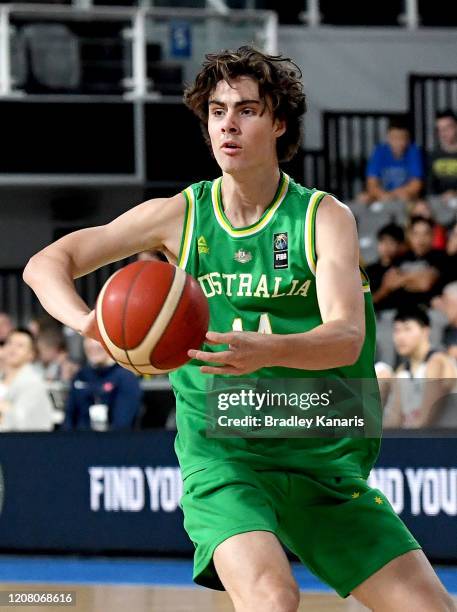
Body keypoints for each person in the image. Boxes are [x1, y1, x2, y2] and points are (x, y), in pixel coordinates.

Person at [23, 47, 454, 611]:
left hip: (318, 449)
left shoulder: (323, 218)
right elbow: (45, 263)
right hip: (226, 452)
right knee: (274, 598)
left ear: (278, 122)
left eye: (247, 110)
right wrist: (91, 322)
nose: (228, 122)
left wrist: (265, 350)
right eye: (217, 110)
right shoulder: (181, 215)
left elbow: (346, 336)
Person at [384, 308, 456, 429]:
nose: (401, 337)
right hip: (416, 438)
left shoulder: (438, 362)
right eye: (396, 330)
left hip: (443, 440)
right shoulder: (401, 371)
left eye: (407, 329)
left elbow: (425, 419)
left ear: (425, 331)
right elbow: (394, 420)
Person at [63, 337, 142, 431]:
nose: (93, 345)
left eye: (98, 339)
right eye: (88, 338)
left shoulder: (125, 377)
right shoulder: (81, 376)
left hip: (112, 442)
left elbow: (122, 424)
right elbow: (68, 420)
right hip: (80, 441)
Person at [358, 116, 424, 205]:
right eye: (394, 138)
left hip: (403, 195)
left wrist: (393, 195)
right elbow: (371, 184)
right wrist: (382, 194)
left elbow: (416, 185)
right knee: (363, 198)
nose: (398, 142)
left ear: (408, 139)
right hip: (382, 195)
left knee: (407, 197)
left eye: (402, 138)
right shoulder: (379, 151)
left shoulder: (414, 151)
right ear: (388, 138)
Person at [0, 328, 54, 431]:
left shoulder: (34, 384)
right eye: (10, 343)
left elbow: (20, 421)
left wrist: (4, 409)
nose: (12, 349)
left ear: (31, 354)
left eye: (20, 345)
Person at [366, 222, 405, 311]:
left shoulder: (404, 267)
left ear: (399, 245)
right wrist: (385, 289)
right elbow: (365, 303)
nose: (386, 246)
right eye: (383, 241)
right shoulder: (369, 270)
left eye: (391, 242)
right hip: (376, 315)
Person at [428, 110, 457, 203]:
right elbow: (429, 187)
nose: (444, 133)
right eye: (440, 129)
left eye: (448, 128)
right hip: (439, 203)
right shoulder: (433, 156)